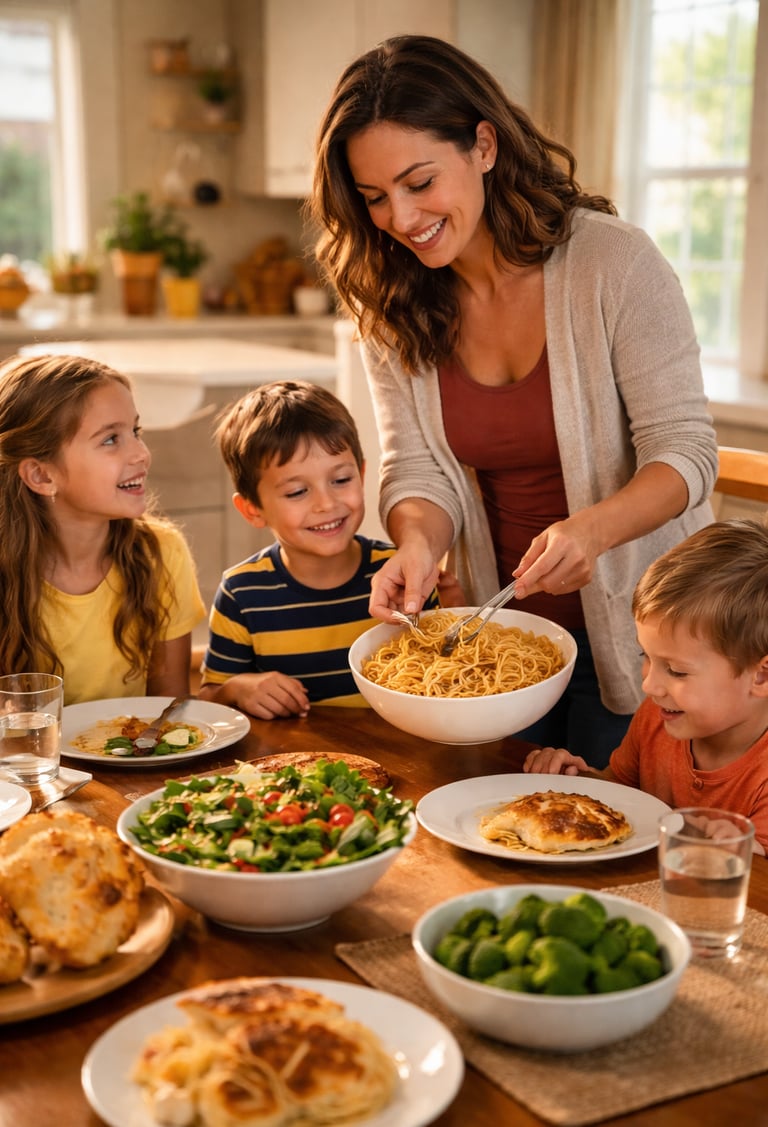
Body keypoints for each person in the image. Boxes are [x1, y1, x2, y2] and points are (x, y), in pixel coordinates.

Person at [307, 34, 718, 768]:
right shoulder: (389, 296)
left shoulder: (613, 265)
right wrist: (418, 546)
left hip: (646, 636)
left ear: (485, 146)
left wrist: (590, 531)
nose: (400, 218)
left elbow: (686, 453)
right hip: (495, 644)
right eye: (373, 197)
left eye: (418, 182)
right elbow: (418, 469)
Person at [198, 380, 445, 719]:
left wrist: (453, 613)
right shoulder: (242, 593)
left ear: (361, 473)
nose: (326, 503)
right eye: (297, 492)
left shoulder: (403, 575)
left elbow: (446, 679)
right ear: (252, 509)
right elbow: (210, 700)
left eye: (341, 480)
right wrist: (239, 689)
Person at [524, 520, 768, 854]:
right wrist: (577, 779)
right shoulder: (659, 716)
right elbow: (622, 794)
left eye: (677, 671)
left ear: (762, 676)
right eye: (646, 656)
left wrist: (739, 847)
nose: (650, 685)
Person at [0, 353, 206, 705]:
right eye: (110, 439)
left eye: (135, 431)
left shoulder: (161, 552)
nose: (141, 453)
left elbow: (168, 713)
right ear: (41, 475)